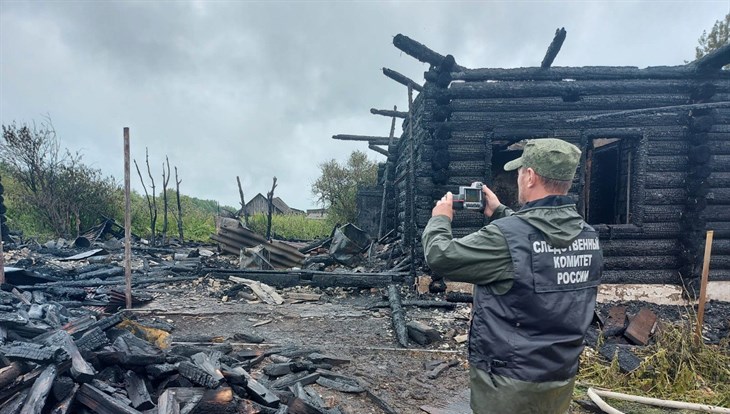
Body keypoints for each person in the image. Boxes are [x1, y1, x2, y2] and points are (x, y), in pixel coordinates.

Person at [422, 138, 603, 414]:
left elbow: (441, 255)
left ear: (530, 176)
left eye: (519, 172)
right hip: (559, 380)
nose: (518, 178)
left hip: (508, 387)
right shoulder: (588, 236)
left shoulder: (506, 237)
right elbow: (533, 244)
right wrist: (500, 212)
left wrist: (440, 219)